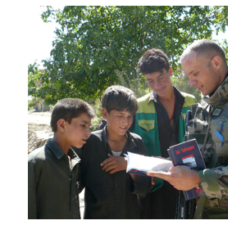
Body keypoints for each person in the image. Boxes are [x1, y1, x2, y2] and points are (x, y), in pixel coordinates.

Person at [147, 39, 228, 219]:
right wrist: (168, 165)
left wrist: (199, 179)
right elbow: (199, 159)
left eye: (195, 73)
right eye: (188, 76)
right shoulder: (205, 107)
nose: (191, 82)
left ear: (216, 63)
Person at [133, 49, 197, 219]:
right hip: (154, 187)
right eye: (150, 81)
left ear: (170, 70)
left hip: (186, 182)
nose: (157, 85)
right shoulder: (138, 107)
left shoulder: (191, 102)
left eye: (161, 78)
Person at [77, 85, 152, 219]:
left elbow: (144, 188)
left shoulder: (137, 142)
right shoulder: (89, 143)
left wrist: (130, 164)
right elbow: (74, 186)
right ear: (105, 114)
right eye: (120, 115)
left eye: (130, 116)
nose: (126, 122)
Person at [28, 98, 95, 219]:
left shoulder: (74, 161)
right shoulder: (36, 162)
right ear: (62, 125)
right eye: (83, 125)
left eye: (89, 126)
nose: (89, 132)